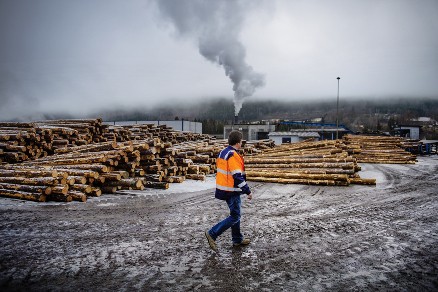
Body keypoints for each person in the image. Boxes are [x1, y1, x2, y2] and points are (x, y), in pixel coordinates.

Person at [205, 130, 252, 251]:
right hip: (231, 190)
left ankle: (237, 239)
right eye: (241, 141)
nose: (241, 143)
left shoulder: (223, 152)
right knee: (235, 216)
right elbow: (237, 175)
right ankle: (212, 233)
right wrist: (247, 190)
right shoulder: (233, 155)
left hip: (224, 189)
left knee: (235, 214)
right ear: (238, 142)